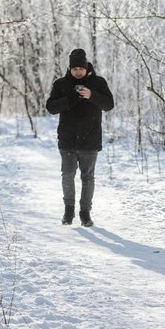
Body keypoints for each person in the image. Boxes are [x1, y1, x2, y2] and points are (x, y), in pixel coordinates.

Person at [46, 48, 115, 227]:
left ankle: (85, 213)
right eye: (74, 69)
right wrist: (70, 99)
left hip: (90, 140)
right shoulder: (61, 84)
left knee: (88, 177)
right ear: (69, 69)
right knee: (67, 175)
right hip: (67, 139)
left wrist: (92, 96)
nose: (78, 72)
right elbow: (51, 107)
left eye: (81, 69)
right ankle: (68, 210)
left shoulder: (98, 82)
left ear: (87, 68)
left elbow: (109, 105)